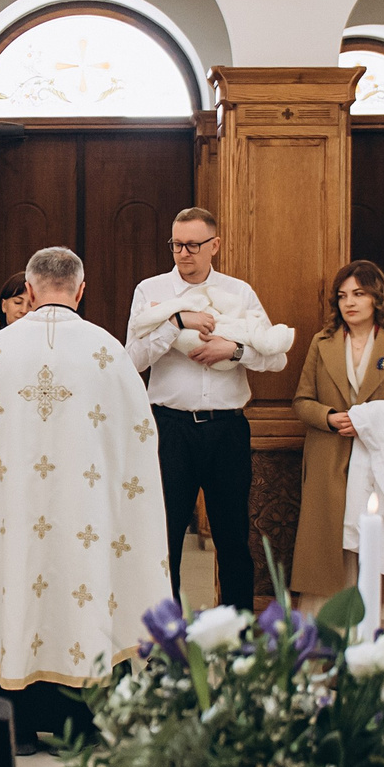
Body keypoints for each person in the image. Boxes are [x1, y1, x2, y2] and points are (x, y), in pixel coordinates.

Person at [0, 247, 169, 731]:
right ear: (80, 290)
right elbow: (139, 442)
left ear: (27, 289)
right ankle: (82, 725)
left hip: (13, 514)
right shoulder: (108, 350)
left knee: (15, 588)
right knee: (84, 592)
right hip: (85, 515)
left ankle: (16, 726)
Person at [126, 207, 291, 612]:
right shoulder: (151, 292)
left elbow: (274, 357)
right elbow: (132, 359)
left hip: (227, 430)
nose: (183, 253)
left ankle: (237, 638)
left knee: (233, 537)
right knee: (164, 539)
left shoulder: (240, 293)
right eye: (177, 244)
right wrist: (176, 320)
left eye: (193, 245)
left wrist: (232, 350)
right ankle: (165, 641)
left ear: (214, 245)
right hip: (169, 429)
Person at [290, 261, 384, 620]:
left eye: (359, 294)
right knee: (330, 554)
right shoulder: (321, 344)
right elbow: (301, 401)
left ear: (376, 298)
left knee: (378, 545)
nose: (349, 303)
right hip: (330, 462)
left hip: (380, 460)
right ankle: (326, 640)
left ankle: (377, 641)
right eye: (342, 296)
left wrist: (372, 421)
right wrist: (328, 417)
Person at [0, 272, 31, 360]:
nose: (24, 310)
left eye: (31, 305)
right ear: (4, 305)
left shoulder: (47, 345)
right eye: (18, 302)